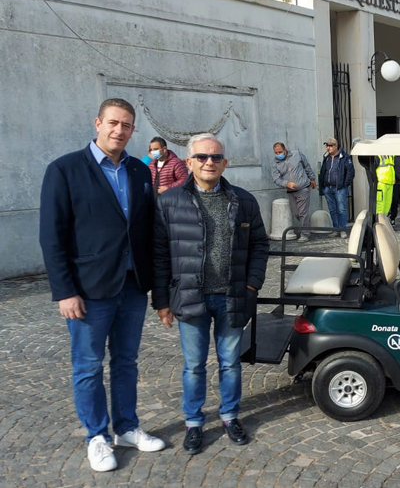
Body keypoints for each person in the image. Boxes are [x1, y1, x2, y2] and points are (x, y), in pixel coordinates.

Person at [39, 98, 165, 472]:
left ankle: (126, 427)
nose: (119, 131)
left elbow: (147, 233)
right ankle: (97, 435)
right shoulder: (64, 170)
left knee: (126, 361)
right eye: (113, 123)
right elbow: (52, 236)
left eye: (127, 125)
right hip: (87, 289)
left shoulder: (140, 172)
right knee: (88, 365)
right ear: (97, 123)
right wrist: (64, 290)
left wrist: (157, 288)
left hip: (131, 285)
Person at [152, 133, 269, 455]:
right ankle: (193, 422)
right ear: (188, 162)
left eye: (215, 157)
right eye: (202, 157)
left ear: (224, 162)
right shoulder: (169, 201)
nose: (209, 162)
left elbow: (260, 245)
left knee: (230, 362)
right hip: (191, 297)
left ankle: (230, 416)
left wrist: (251, 285)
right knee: (194, 365)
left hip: (232, 295)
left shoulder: (243, 200)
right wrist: (161, 300)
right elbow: (160, 255)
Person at [270, 142, 317, 242]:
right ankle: (307, 228)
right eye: (276, 153)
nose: (278, 154)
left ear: (285, 150)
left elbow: (306, 166)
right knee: (296, 213)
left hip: (303, 187)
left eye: (280, 152)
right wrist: (287, 184)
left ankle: (305, 234)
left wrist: (312, 178)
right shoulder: (275, 163)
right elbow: (276, 179)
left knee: (303, 212)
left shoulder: (297, 154)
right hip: (291, 191)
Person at [319, 137, 355, 238]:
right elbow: (323, 171)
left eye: (330, 146)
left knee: (341, 209)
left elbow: (350, 172)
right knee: (332, 209)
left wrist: (345, 184)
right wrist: (323, 186)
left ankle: (342, 229)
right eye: (327, 146)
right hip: (328, 188)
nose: (328, 148)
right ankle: (336, 229)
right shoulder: (326, 158)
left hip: (339, 188)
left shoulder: (344, 157)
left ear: (336, 146)